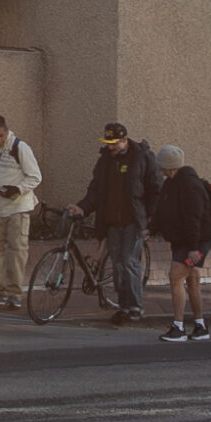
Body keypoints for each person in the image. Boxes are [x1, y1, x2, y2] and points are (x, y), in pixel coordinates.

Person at [64, 122, 159, 322]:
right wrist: (83, 207)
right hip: (112, 222)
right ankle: (124, 306)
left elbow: (155, 189)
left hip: (134, 220)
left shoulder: (142, 157)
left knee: (129, 261)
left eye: (114, 143)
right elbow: (95, 190)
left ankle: (135, 307)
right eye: (108, 143)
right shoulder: (105, 161)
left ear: (124, 140)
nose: (110, 147)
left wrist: (151, 218)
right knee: (118, 265)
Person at [0, 113, 42, 309]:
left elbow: (35, 176)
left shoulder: (19, 147)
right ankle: (1, 291)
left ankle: (15, 292)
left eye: (1, 136)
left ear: (6, 131)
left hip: (17, 208)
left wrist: (18, 189)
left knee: (17, 250)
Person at [150, 160, 211, 342]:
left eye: (162, 164)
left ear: (170, 165)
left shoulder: (190, 185)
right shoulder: (170, 183)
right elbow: (161, 211)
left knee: (176, 276)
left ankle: (178, 327)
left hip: (197, 240)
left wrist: (193, 248)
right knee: (192, 279)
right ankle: (200, 326)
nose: (159, 168)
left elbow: (193, 218)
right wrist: (149, 230)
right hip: (183, 240)